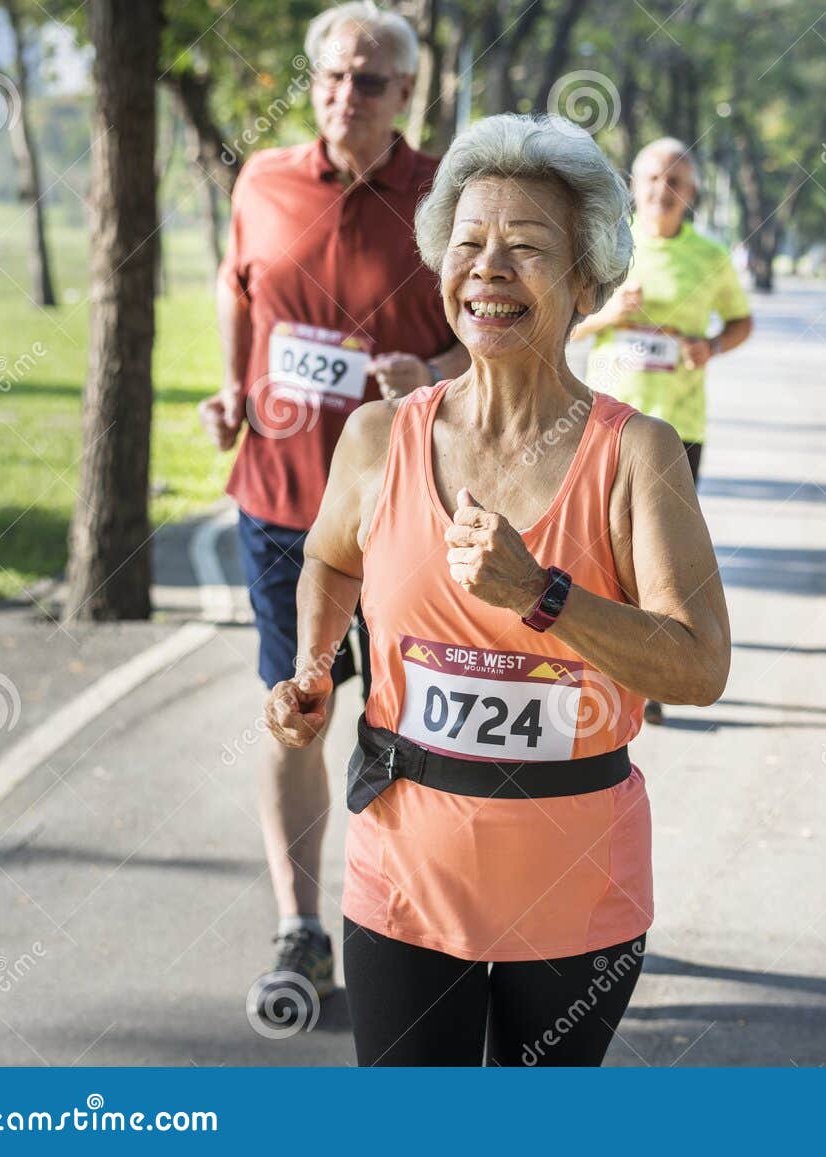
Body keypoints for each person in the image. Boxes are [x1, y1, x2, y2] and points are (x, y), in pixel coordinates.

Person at [263, 113, 731, 1066]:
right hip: (403, 871)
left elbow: (700, 665)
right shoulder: (379, 437)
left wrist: (544, 594)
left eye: (526, 249)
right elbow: (332, 557)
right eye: (468, 245)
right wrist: (315, 668)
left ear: (589, 285)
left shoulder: (637, 455)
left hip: (574, 889)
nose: (488, 269)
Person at [197, 1, 469, 1020]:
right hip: (277, 503)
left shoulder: (447, 193)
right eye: (331, 76)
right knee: (298, 711)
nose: (344, 94)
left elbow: (500, 324)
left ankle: (414, 917)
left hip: (407, 509)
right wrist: (233, 386)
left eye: (368, 80)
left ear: (405, 94)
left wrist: (432, 366)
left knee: (405, 729)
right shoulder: (264, 178)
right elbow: (238, 288)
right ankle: (301, 928)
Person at [570, 137, 752, 725]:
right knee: (594, 545)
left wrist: (709, 346)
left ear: (690, 193)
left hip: (677, 427)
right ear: (633, 187)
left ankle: (647, 678)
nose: (661, 192)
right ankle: (590, 661)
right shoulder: (608, 246)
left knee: (658, 557)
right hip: (604, 418)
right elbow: (565, 326)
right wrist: (610, 316)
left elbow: (743, 322)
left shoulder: (710, 256)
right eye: (651, 179)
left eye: (674, 181)